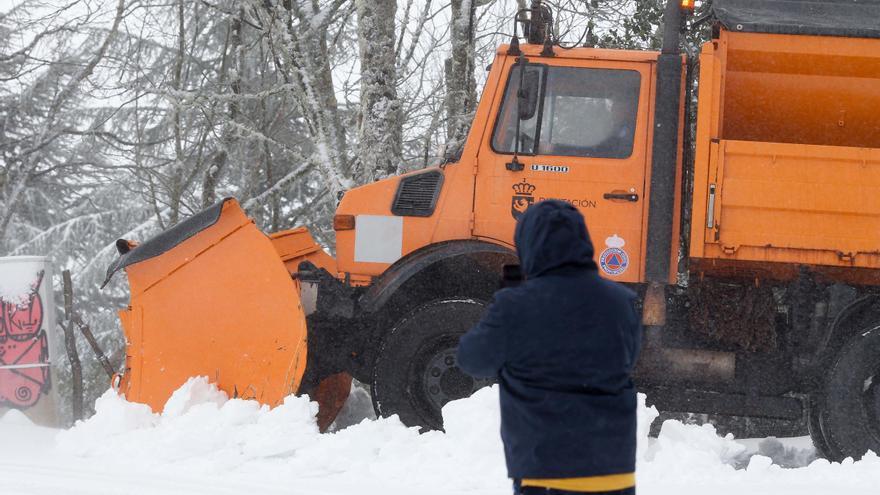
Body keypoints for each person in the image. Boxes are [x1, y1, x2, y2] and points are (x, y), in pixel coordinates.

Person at [456, 200, 642, 495]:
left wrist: (504, 307)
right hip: (614, 474)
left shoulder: (515, 306)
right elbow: (627, 360)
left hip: (547, 475)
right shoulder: (620, 301)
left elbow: (472, 359)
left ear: (528, 245)